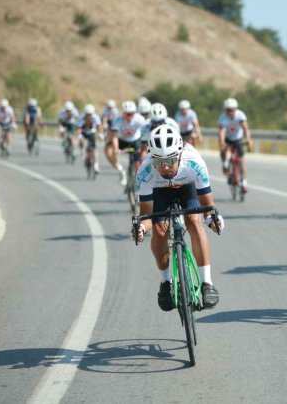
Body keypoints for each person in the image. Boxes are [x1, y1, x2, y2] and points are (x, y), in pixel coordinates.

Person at [132, 125, 223, 311]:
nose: (164, 167)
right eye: (158, 162)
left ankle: (207, 282)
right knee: (159, 230)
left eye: (170, 160)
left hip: (187, 187)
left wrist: (212, 220)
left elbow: (207, 206)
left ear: (180, 154)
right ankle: (166, 282)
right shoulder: (145, 171)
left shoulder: (194, 162)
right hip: (159, 192)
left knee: (195, 222)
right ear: (151, 158)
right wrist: (141, 228)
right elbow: (147, 217)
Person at [106, 100, 146, 185]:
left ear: (134, 113)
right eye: (126, 114)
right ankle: (121, 170)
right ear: (123, 113)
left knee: (141, 156)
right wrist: (116, 148)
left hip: (135, 141)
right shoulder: (118, 120)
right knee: (108, 150)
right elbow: (115, 136)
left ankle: (139, 176)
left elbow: (146, 131)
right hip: (122, 141)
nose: (128, 116)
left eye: (131, 114)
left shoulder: (139, 119)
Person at [218, 98, 253, 193]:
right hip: (228, 138)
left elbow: (246, 129)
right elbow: (222, 132)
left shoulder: (240, 115)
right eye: (228, 110)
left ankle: (244, 183)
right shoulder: (223, 118)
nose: (230, 112)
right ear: (226, 110)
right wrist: (222, 143)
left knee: (241, 161)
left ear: (235, 109)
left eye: (232, 110)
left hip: (238, 138)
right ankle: (225, 163)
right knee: (224, 150)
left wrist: (249, 140)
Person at [77, 104, 103, 173]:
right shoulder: (81, 118)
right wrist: (79, 136)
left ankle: (96, 165)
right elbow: (79, 128)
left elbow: (99, 126)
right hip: (84, 132)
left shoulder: (96, 117)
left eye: (90, 114)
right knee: (82, 141)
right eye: (87, 114)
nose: (89, 116)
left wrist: (100, 134)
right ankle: (83, 152)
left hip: (92, 133)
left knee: (94, 149)